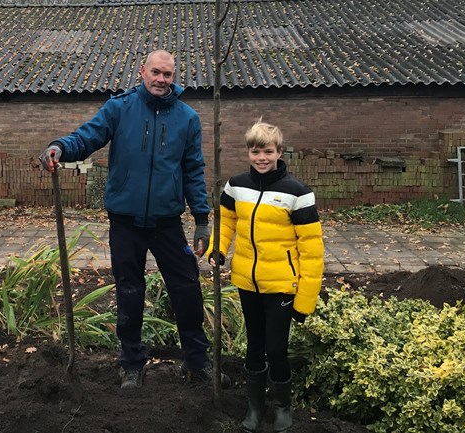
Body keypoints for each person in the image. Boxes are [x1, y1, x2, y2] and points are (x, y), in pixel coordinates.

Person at [39, 49, 226, 390]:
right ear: (142, 71)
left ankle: (197, 363)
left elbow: (194, 171)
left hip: (167, 222)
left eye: (167, 74)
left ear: (174, 76)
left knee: (186, 290)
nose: (161, 79)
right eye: (156, 72)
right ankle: (132, 365)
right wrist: (60, 147)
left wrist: (202, 218)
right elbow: (88, 136)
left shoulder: (188, 119)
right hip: (125, 221)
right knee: (129, 292)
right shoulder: (119, 108)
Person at [205, 120, 324, 432]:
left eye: (267, 151)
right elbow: (227, 221)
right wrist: (217, 248)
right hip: (247, 281)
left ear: (279, 152)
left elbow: (312, 251)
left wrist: (304, 301)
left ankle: (283, 406)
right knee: (254, 347)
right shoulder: (236, 185)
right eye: (255, 151)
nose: (261, 157)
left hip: (282, 286)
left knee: (276, 349)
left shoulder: (298, 193)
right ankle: (255, 406)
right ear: (248, 152)